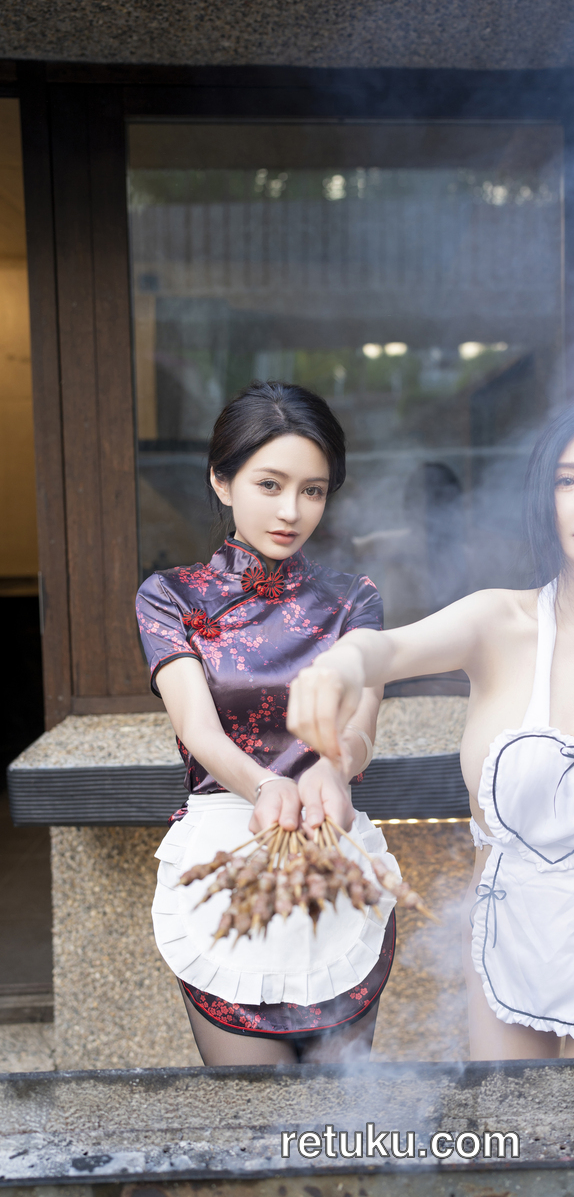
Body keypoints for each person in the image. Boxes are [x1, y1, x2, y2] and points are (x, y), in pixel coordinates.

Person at [284, 403, 574, 1059]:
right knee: (510, 1122)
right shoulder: (494, 623)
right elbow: (385, 650)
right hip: (505, 944)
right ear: (547, 504)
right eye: (567, 480)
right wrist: (337, 667)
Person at [135, 381, 398, 1066]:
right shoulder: (171, 596)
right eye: (270, 484)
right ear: (222, 481)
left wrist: (333, 770)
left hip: (332, 848)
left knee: (344, 1109)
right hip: (226, 846)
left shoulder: (354, 599)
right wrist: (265, 786)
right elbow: (197, 727)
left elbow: (362, 724)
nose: (291, 511)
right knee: (253, 1116)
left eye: (313, 491)